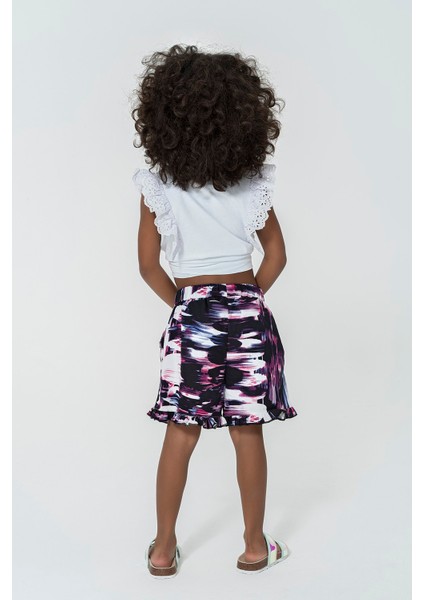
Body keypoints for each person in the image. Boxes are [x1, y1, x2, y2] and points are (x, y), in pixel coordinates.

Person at [131, 44, 298, 577]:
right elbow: (277, 255)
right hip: (246, 314)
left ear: (163, 120)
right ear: (243, 117)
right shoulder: (251, 184)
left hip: (192, 316)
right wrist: (247, 300)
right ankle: (254, 546)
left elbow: (148, 266)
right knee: (247, 431)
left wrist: (189, 308)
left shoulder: (157, 188)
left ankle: (163, 549)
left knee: (181, 433)